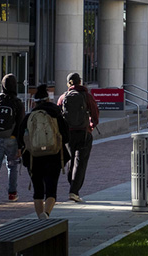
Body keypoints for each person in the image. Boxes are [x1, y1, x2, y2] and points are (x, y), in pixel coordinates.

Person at [18, 84, 70, 219]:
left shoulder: (29, 117)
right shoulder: (56, 114)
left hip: (33, 158)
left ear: (34, 102)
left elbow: (20, 138)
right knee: (51, 189)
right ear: (48, 100)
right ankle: (46, 214)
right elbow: (66, 137)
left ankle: (39, 218)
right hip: (54, 156)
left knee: (38, 189)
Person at [57, 72, 99, 203]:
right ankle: (74, 191)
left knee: (71, 161)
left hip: (68, 133)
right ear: (80, 82)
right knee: (80, 162)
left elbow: (58, 114)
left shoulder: (63, 97)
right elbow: (95, 113)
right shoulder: (86, 96)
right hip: (83, 132)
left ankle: (72, 187)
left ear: (68, 83)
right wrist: (91, 125)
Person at [0, 74, 25, 203]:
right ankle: (12, 193)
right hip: (12, 139)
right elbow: (20, 126)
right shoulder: (18, 103)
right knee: (12, 167)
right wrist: (20, 145)